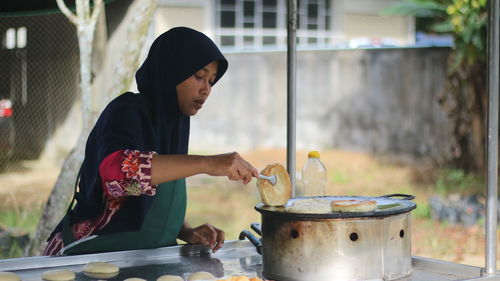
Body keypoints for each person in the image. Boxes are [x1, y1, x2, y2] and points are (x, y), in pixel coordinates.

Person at [44, 27, 259, 256]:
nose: (206, 89)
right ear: (172, 70)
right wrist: (207, 163)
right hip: (86, 254)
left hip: (136, 259)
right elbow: (117, 179)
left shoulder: (177, 123)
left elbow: (152, 192)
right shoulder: (127, 111)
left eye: (211, 81)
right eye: (198, 76)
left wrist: (185, 231)